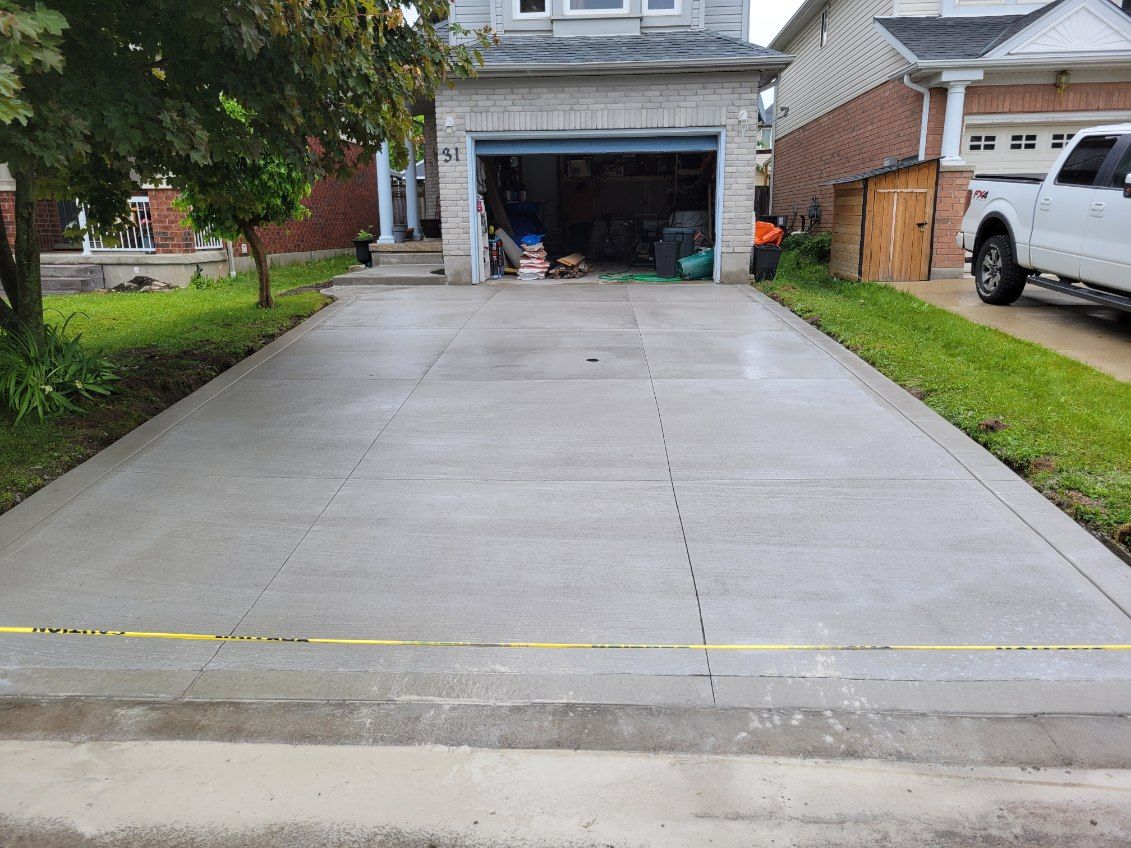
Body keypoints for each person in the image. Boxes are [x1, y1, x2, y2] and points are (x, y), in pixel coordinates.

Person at [565, 181, 595, 254]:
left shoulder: (573, 197)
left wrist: (567, 220)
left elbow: (568, 210)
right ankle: (584, 254)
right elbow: (599, 189)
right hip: (587, 221)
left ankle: (576, 255)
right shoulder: (589, 195)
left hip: (575, 222)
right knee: (586, 240)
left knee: (576, 240)